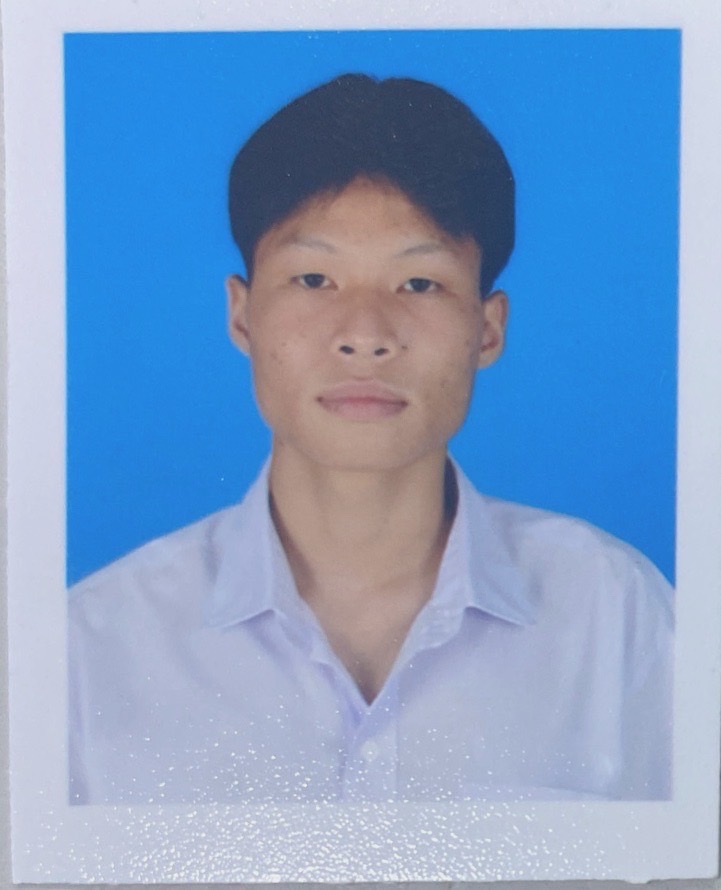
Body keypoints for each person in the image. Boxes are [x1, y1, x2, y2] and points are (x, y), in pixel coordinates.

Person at [68, 73, 673, 805]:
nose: (364, 335)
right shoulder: (90, 648)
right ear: (241, 316)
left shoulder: (617, 617)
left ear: (488, 329)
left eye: (419, 284)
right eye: (313, 279)